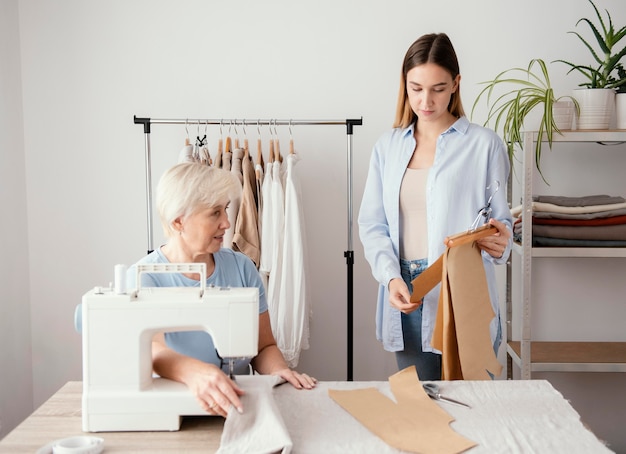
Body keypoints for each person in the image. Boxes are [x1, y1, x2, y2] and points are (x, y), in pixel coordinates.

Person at [358, 33, 512, 381]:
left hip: (461, 291)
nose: (425, 100)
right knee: (421, 413)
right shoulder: (387, 147)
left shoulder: (484, 145)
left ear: (456, 84)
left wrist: (500, 241)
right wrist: (390, 276)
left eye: (438, 88)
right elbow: (373, 224)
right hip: (407, 291)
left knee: (474, 410)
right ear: (405, 85)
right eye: (416, 88)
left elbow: (500, 225)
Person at [126, 162, 316, 418]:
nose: (227, 223)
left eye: (225, 210)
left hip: (236, 406)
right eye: (215, 213)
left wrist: (278, 371)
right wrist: (197, 373)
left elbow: (264, 346)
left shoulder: (242, 268)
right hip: (173, 411)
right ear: (179, 221)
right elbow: (152, 351)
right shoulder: (144, 278)